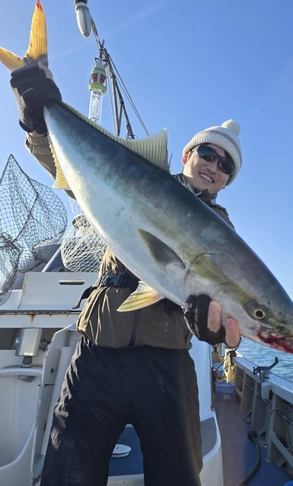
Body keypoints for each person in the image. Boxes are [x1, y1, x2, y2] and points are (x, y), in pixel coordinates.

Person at [10, 61, 241, 486]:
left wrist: (214, 329)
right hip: (98, 350)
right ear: (188, 155)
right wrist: (38, 123)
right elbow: (66, 169)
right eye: (208, 153)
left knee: (178, 477)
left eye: (225, 166)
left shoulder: (224, 234)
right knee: (67, 473)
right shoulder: (129, 177)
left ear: (225, 183)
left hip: (167, 361)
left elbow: (232, 303)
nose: (214, 165)